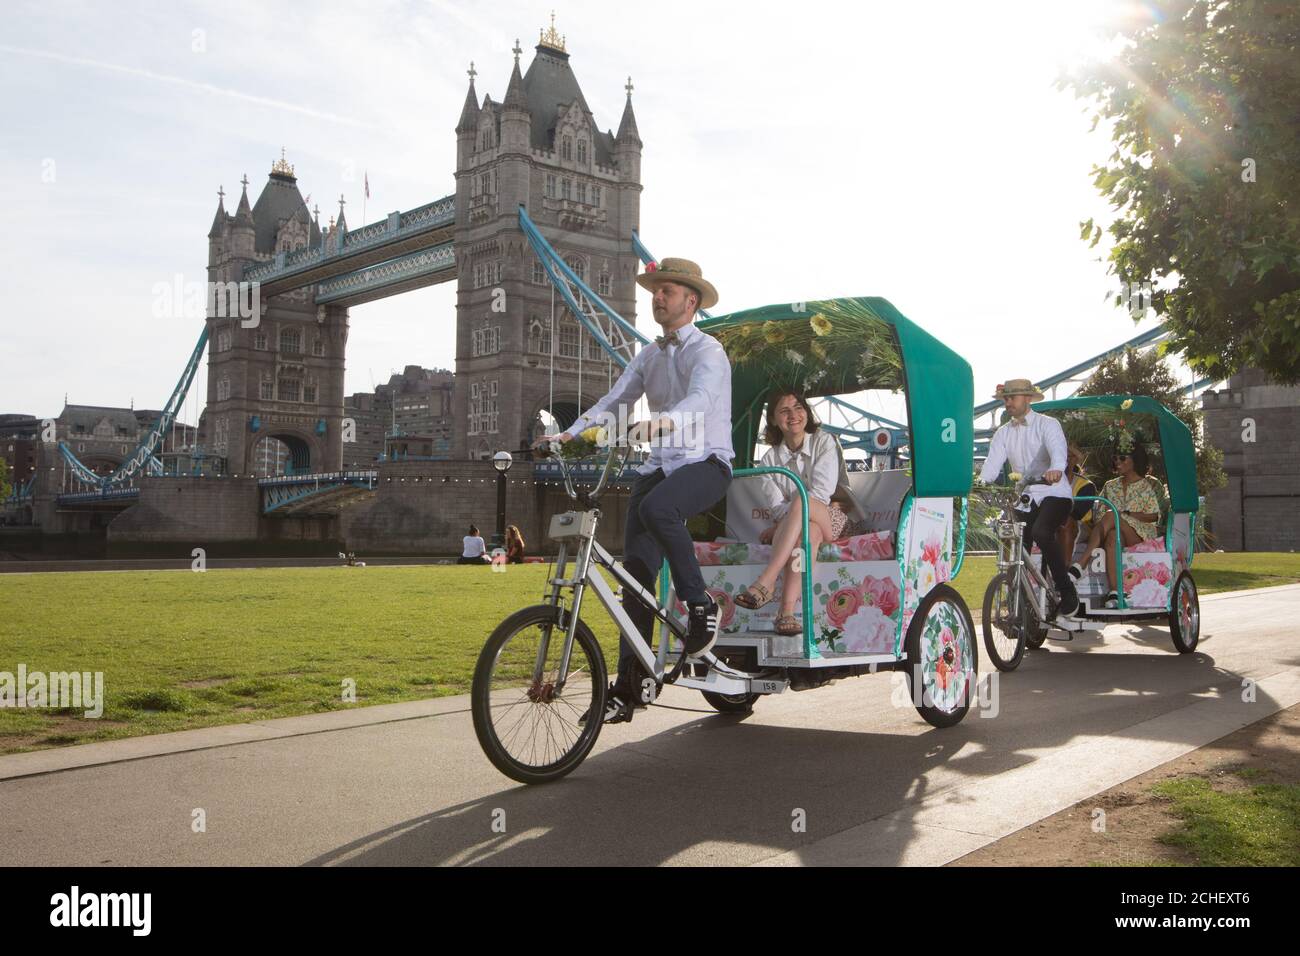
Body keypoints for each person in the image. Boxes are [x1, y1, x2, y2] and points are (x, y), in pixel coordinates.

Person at [537, 258, 733, 724]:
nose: (657, 297)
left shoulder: (709, 351)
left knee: (662, 509)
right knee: (636, 574)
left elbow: (701, 401)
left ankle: (700, 606)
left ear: (692, 301)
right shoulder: (648, 354)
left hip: (705, 461)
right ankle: (631, 685)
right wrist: (570, 434)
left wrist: (661, 422)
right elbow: (614, 401)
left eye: (668, 291)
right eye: (655, 291)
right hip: (659, 463)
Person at [734, 390, 852, 635]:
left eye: (798, 407)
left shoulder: (823, 441)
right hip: (809, 526)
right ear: (775, 420)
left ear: (807, 413)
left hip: (836, 519)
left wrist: (781, 525)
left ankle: (766, 581)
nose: (794, 415)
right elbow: (777, 509)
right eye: (784, 411)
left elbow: (821, 494)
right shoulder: (768, 460)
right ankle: (786, 613)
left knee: (803, 498)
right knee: (803, 540)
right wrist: (787, 521)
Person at [978, 378, 1080, 617]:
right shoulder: (1003, 433)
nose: (1007, 403)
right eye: (1005, 399)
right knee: (1014, 542)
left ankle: (1066, 591)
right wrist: (978, 485)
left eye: (1011, 398)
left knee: (1042, 532)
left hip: (1053, 492)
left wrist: (1055, 468)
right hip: (1025, 497)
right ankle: (1020, 607)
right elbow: (991, 468)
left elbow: (1058, 451)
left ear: (1027, 399)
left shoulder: (1048, 424)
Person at [1072, 442, 1164, 608]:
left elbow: (1153, 515)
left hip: (1140, 534)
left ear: (1135, 460)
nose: (1117, 462)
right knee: (1112, 535)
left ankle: (1081, 564)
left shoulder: (1146, 485)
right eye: (1115, 458)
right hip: (1113, 531)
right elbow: (1099, 513)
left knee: (1112, 514)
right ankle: (1115, 592)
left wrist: (1126, 515)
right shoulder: (1110, 485)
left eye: (1123, 458)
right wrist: (1115, 516)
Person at [1056, 443, 1097, 569]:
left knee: (1066, 521)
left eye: (1070, 456)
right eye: (1063, 456)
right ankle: (1013, 578)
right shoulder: (1046, 482)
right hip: (1051, 522)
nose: (1066, 459)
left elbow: (1077, 513)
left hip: (1078, 525)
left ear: (1075, 460)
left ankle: (1063, 573)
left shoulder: (1086, 485)